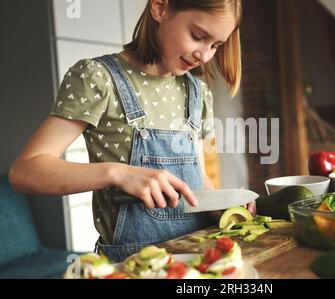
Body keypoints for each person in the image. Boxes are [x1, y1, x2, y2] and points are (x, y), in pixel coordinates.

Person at [8, 0, 255, 262]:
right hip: (130, 265)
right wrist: (118, 173)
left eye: (215, 45)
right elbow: (25, 171)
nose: (204, 55)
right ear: (160, 8)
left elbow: (197, 180)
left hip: (196, 260)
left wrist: (221, 207)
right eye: (197, 36)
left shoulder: (197, 92)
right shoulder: (98, 78)